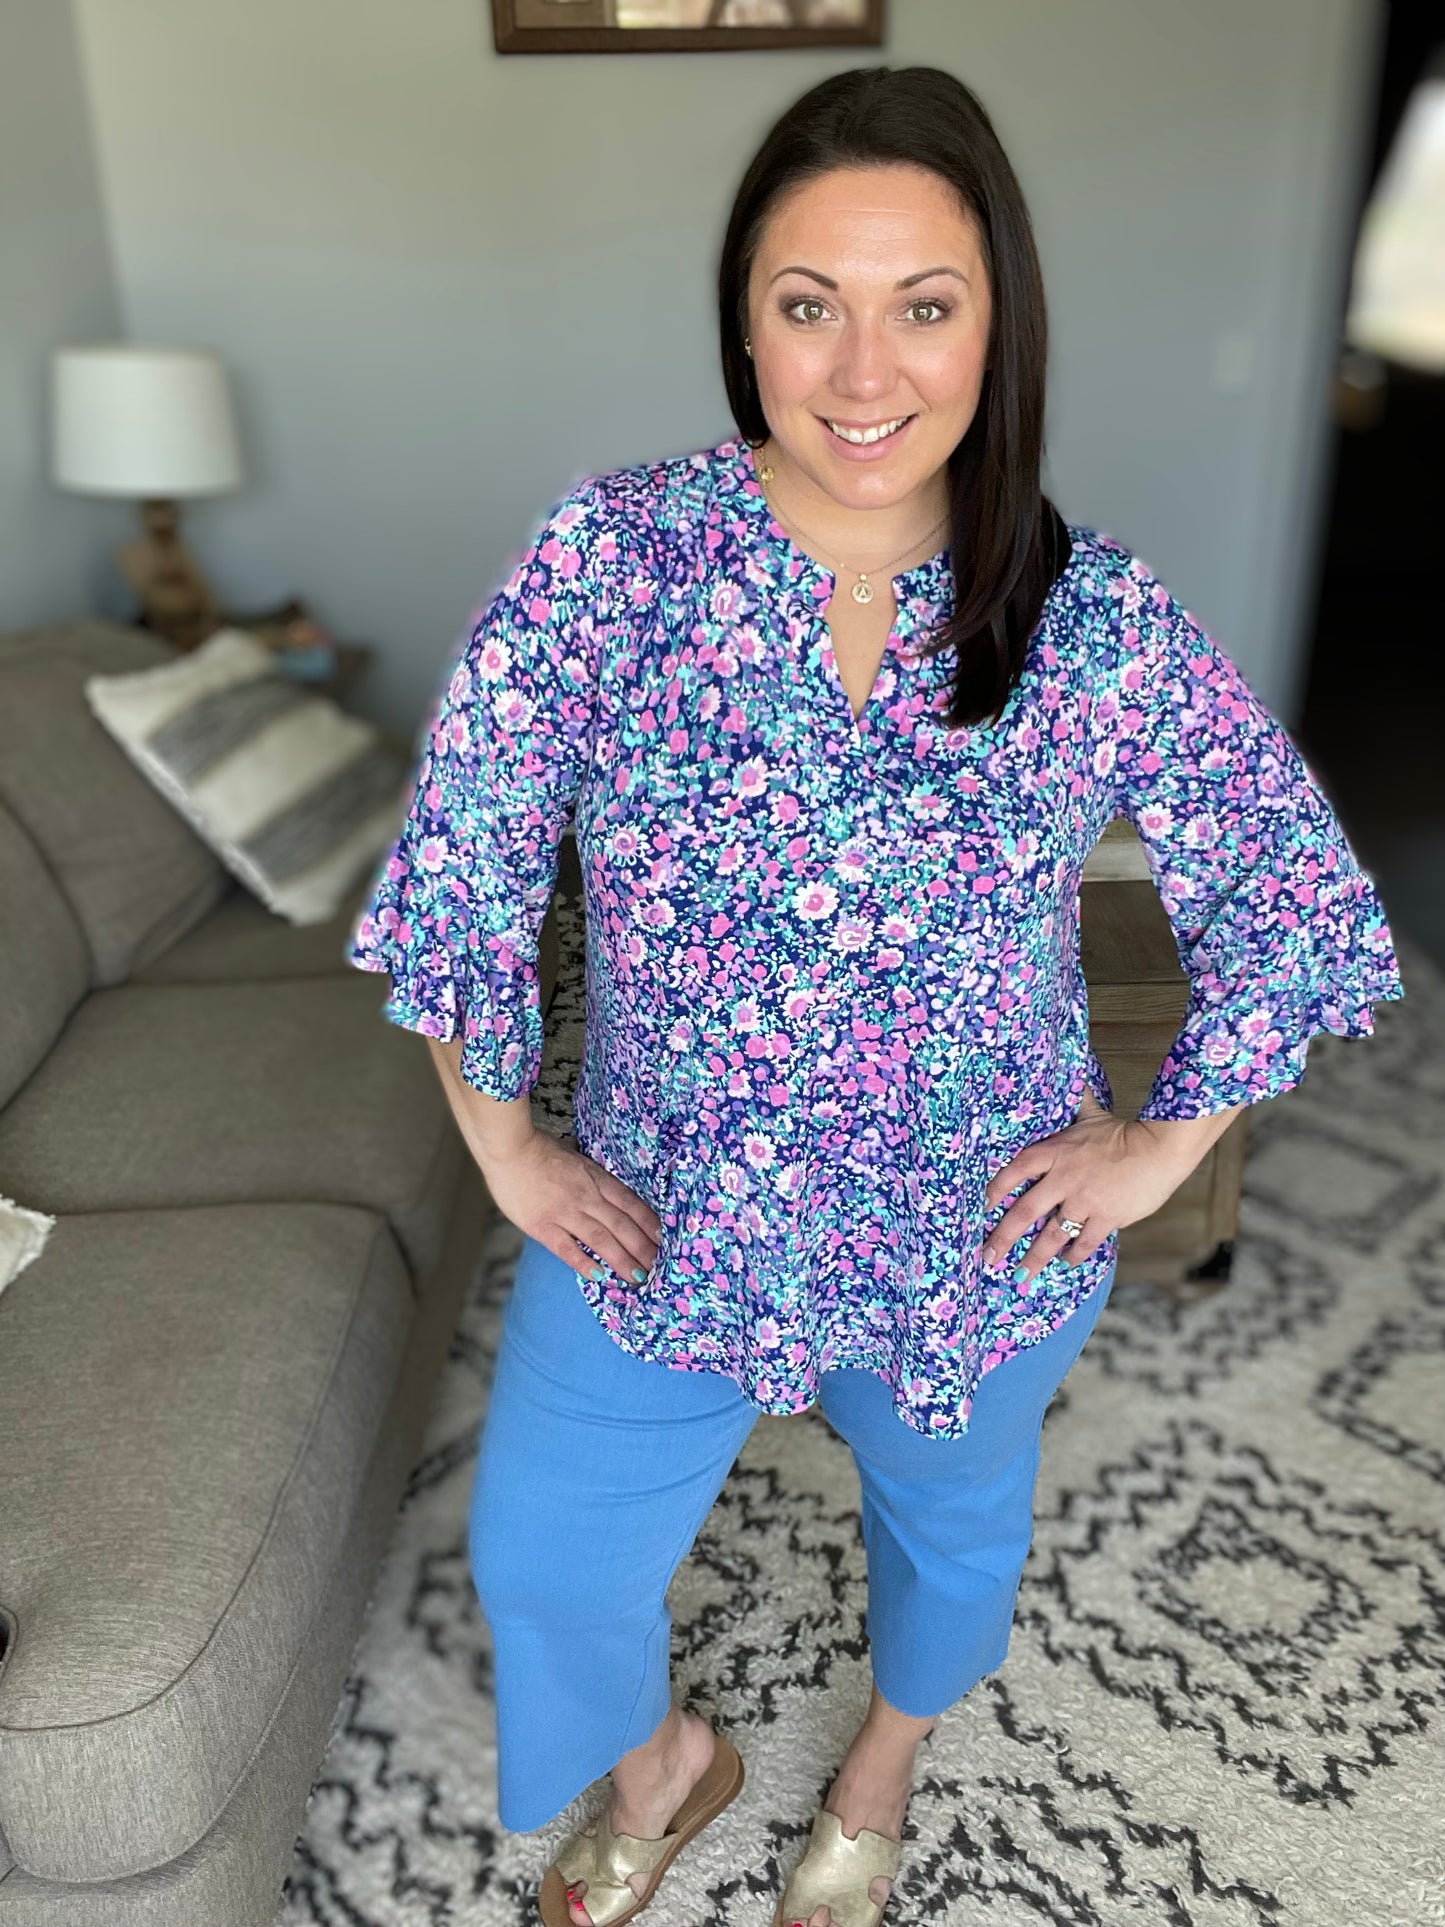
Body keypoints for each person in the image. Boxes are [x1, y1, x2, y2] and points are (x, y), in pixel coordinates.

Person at [346, 63, 1405, 1927]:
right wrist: (505, 1152)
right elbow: (465, 865)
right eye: (805, 303)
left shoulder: (1092, 616)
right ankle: (674, 1763)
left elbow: (1291, 893)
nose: (863, 372)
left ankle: (880, 1769)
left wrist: (1160, 1151)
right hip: (662, 1201)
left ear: (997, 322)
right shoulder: (612, 560)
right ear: (741, 320)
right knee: (542, 1559)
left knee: (948, 1537)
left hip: (971, 1221)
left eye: (925, 305)